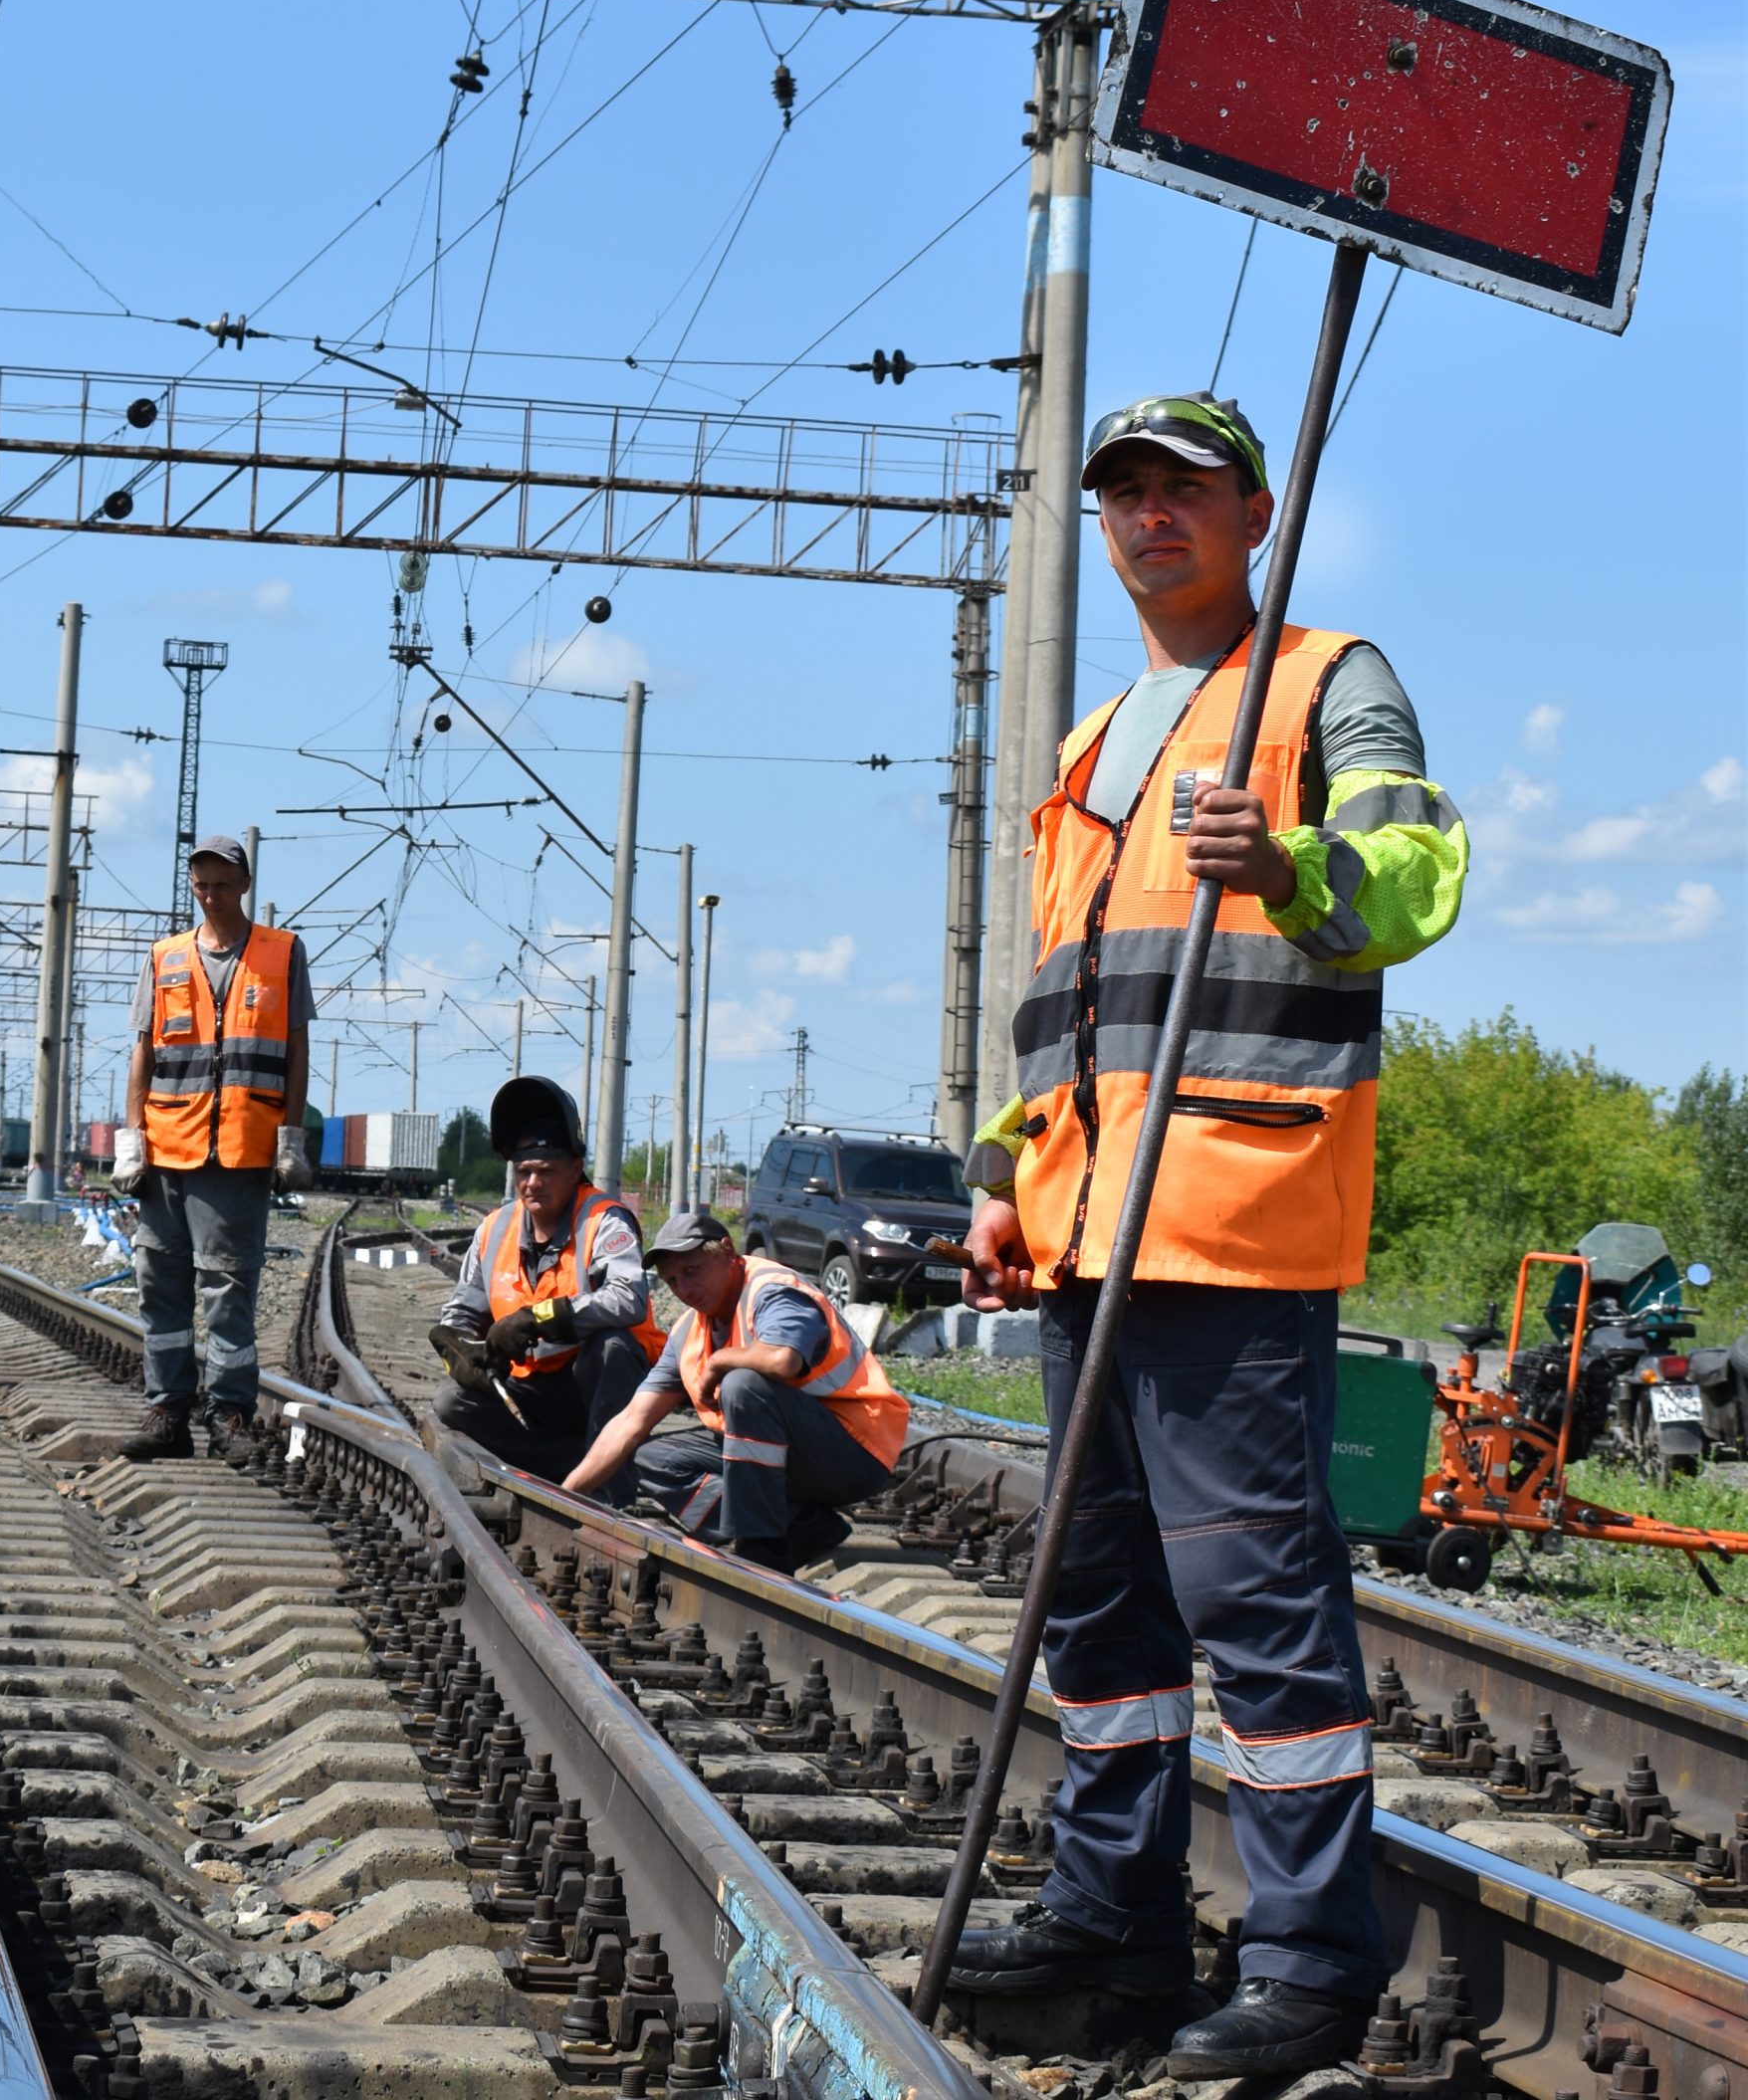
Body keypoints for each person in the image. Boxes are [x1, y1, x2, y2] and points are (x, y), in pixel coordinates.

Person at [947, 393, 1468, 2078]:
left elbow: (1416, 876)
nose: (1148, 517)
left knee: (1256, 1601)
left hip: (1236, 1219)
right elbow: (1067, 1010)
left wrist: (1299, 859)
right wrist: (999, 1176)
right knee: (1098, 1605)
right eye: (1123, 495)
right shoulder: (1102, 741)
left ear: (1258, 512)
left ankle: (1314, 1956)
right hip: (1085, 1233)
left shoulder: (1325, 680)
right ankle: (1119, 1917)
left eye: (1183, 490)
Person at [111, 834, 314, 1463]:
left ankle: (229, 1414)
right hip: (167, 1149)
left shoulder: (282, 953)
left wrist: (291, 1136)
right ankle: (167, 1412)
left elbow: (297, 1050)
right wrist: (130, 1139)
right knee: (159, 1283)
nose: (211, 894)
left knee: (228, 1287)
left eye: (222, 884)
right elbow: (143, 1052)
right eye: (201, 884)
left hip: (239, 1150)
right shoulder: (165, 957)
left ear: (243, 885)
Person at [563, 1209, 909, 1573]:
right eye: (673, 1281)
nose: (684, 1290)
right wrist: (564, 1495)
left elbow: (782, 1360)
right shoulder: (689, 1331)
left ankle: (761, 1548)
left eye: (692, 1271)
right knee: (652, 1461)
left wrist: (718, 1362)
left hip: (852, 1452)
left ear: (728, 1252)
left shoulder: (774, 1291)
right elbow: (631, 1421)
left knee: (743, 1384)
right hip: (790, 1452)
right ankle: (800, 1525)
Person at [426, 1078, 665, 1485]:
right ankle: (572, 1464)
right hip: (532, 1389)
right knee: (451, 1405)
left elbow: (629, 1298)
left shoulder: (604, 1219)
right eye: (524, 1171)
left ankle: (610, 1485)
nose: (532, 1183)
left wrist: (539, 1318)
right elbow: (463, 1310)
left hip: (589, 1381)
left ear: (575, 1169)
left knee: (613, 1348)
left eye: (546, 1171)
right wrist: (460, 1347)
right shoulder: (494, 1229)